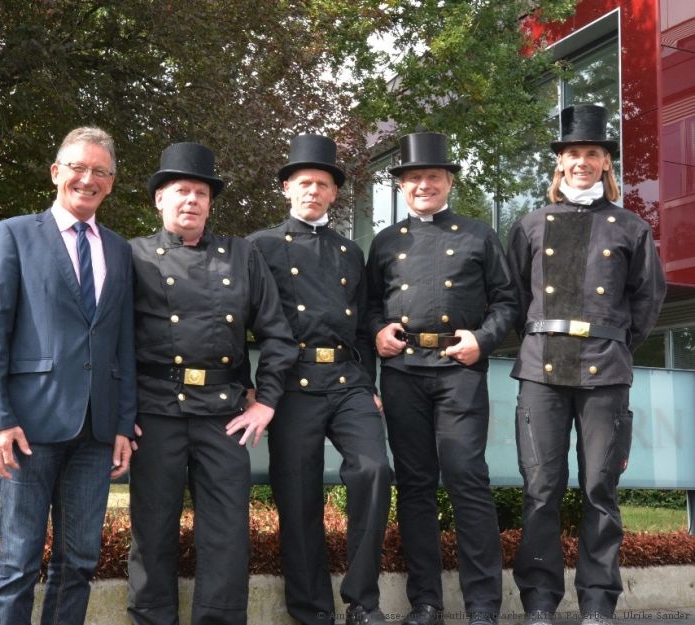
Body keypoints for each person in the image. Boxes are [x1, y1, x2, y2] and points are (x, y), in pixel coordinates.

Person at [506, 104, 666, 625]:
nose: (581, 162)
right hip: (541, 372)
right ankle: (539, 601)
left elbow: (647, 301)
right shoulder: (530, 225)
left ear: (605, 163)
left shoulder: (630, 227)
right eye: (572, 154)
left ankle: (598, 600)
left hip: (604, 370)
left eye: (592, 154)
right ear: (560, 164)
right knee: (541, 488)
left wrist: (614, 344)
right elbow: (513, 297)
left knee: (600, 488)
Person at [126, 142, 298, 625]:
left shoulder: (241, 255)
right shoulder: (133, 255)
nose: (191, 201)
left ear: (210, 202)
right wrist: (123, 414)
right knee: (152, 529)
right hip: (155, 410)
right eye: (181, 191)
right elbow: (113, 343)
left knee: (226, 532)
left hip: (224, 413)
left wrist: (264, 402)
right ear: (159, 199)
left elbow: (278, 336)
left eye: (200, 192)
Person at [0, 126, 137, 625]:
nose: (88, 179)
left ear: (111, 183)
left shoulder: (120, 250)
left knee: (80, 563)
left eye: (100, 172)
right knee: (18, 562)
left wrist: (124, 423)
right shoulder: (14, 234)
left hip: (95, 431)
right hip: (27, 428)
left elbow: (123, 343)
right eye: (78, 168)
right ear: (56, 173)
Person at [366, 132, 518, 625]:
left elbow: (508, 302)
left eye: (433, 176)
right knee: (414, 485)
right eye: (414, 178)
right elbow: (369, 307)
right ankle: (426, 603)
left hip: (459, 370)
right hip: (404, 372)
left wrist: (484, 339)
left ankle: (482, 606)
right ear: (402, 187)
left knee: (466, 479)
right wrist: (377, 332)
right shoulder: (386, 242)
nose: (423, 185)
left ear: (449, 180)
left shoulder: (478, 235)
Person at [247, 134, 393, 625]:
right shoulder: (260, 246)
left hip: (349, 379)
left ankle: (362, 602)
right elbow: (238, 316)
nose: (313, 190)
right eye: (304, 182)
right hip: (291, 381)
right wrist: (251, 384)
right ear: (287, 187)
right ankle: (312, 611)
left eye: (323, 184)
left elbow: (367, 323)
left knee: (374, 470)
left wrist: (369, 385)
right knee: (298, 493)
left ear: (334, 193)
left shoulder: (352, 251)